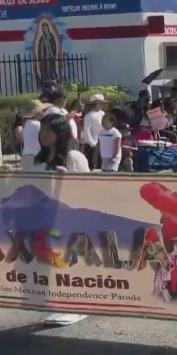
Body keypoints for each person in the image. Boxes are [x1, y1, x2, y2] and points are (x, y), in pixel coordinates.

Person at [35, 113, 91, 326]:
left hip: (69, 218)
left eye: (47, 131)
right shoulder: (40, 159)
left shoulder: (74, 157)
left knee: (69, 260)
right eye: (41, 130)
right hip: (46, 217)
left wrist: (67, 177)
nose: (43, 135)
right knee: (53, 261)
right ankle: (60, 304)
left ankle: (76, 307)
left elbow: (90, 186)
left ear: (59, 133)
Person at [81, 94, 106, 169]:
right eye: (100, 103)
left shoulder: (103, 114)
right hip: (92, 145)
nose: (102, 104)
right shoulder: (89, 116)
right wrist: (93, 144)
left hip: (102, 143)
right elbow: (87, 131)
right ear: (95, 104)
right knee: (92, 166)